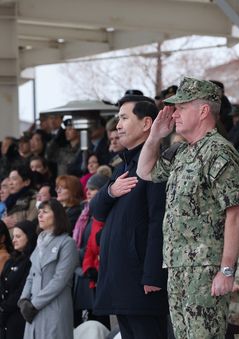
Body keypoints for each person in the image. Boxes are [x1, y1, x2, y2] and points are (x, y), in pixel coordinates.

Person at [137, 77, 239, 338]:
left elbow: (237, 213)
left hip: (205, 268)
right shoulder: (183, 151)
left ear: (203, 111)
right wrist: (154, 136)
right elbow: (145, 171)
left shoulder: (218, 151)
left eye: (181, 107)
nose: (174, 114)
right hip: (179, 265)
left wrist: (227, 270)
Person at [90, 95, 168, 339]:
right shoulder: (122, 166)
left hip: (142, 282)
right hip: (120, 278)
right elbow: (97, 210)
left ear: (146, 124)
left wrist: (153, 274)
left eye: (124, 118)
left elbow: (159, 223)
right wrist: (110, 191)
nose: (118, 126)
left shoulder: (157, 164)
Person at [18, 199, 78, 339]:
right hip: (33, 311)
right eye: (39, 212)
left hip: (54, 308)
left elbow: (60, 279)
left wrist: (34, 305)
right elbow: (31, 275)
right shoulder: (40, 242)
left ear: (57, 215)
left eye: (45, 212)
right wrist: (23, 300)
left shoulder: (67, 243)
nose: (40, 215)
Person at [72, 174, 110, 329]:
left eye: (93, 189)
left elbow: (97, 244)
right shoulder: (85, 214)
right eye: (87, 188)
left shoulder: (103, 214)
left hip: (101, 272)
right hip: (88, 273)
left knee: (102, 324)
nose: (88, 191)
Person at [0, 220, 37, 339]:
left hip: (18, 315)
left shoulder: (33, 261)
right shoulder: (12, 259)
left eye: (18, 236)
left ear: (29, 236)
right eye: (13, 236)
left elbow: (21, 290)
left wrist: (4, 308)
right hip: (4, 314)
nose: (14, 240)